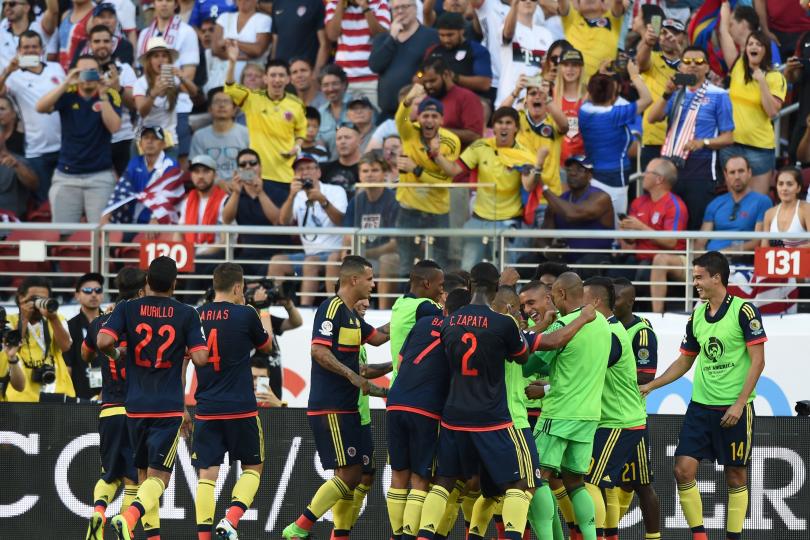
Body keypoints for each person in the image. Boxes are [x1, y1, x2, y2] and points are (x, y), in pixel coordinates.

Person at [640, 251, 767, 540]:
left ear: (716, 277)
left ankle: (733, 537)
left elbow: (758, 361)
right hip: (700, 407)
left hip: (734, 409)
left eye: (698, 277)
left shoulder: (744, 311)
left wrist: (738, 404)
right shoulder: (697, 314)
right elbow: (685, 360)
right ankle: (700, 535)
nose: (694, 282)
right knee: (682, 470)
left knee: (735, 476)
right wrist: (653, 385)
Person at [282, 255, 390, 540]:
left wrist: (410, 316)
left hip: (347, 408)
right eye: (369, 279)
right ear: (354, 280)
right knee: (350, 475)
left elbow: (378, 337)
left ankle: (336, 534)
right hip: (331, 406)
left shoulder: (352, 316)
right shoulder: (332, 308)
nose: (374, 284)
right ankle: (299, 527)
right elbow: (319, 351)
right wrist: (353, 376)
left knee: (360, 474)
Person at [100, 256, 208, 540]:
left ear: (146, 281)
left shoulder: (127, 307)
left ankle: (145, 533)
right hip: (167, 407)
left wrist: (117, 354)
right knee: (160, 478)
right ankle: (129, 517)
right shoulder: (187, 313)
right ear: (175, 283)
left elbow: (103, 342)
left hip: (134, 406)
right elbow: (200, 358)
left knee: (143, 476)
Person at [521, 272, 610, 540]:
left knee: (537, 477)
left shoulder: (563, 326)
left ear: (559, 294)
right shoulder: (602, 324)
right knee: (575, 482)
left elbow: (527, 364)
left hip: (559, 413)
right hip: (589, 415)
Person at [193, 263, 272, 540]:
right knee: (253, 467)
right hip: (240, 408)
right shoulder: (245, 314)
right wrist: (262, 309)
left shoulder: (195, 315)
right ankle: (230, 520)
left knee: (207, 475)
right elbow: (266, 346)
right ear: (238, 287)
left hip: (206, 408)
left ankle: (204, 537)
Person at [580, 277, 658, 540]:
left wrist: (547, 387)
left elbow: (589, 373)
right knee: (604, 484)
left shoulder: (615, 333)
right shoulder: (606, 329)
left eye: (583, 298)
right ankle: (608, 535)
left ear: (595, 301)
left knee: (594, 482)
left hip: (621, 420)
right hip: (611, 419)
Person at [386, 288, 466, 539]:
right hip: (427, 409)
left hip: (396, 401)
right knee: (421, 478)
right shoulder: (461, 333)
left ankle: (397, 535)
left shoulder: (422, 324)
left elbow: (400, 362)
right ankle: (410, 535)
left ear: (445, 308)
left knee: (399, 474)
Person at [650, 156, 772, 313]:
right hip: (708, 261)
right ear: (725, 175)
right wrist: (701, 258)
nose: (737, 176)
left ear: (749, 173)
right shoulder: (716, 203)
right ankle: (655, 318)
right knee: (660, 260)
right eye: (732, 172)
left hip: (736, 263)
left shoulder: (762, 201)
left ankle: (701, 316)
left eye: (741, 171)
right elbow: (702, 239)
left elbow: (758, 240)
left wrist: (725, 253)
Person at [81, 267, 145, 540]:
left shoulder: (102, 321)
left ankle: (98, 512)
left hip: (108, 408)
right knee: (133, 478)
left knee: (109, 474)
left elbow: (85, 354)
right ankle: (125, 528)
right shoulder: (143, 324)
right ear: (142, 290)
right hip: (135, 409)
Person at [432, 106, 535, 269]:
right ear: (493, 127)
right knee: (468, 270)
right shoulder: (479, 147)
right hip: (479, 219)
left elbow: (528, 186)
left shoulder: (524, 155)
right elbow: (453, 170)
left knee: (507, 274)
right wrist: (437, 155)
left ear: (516, 128)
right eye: (499, 122)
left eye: (509, 123)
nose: (504, 126)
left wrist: (538, 167)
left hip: (508, 222)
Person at [647, 46, 735, 231]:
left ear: (707, 68)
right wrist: (666, 94)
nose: (692, 65)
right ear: (680, 68)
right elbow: (652, 118)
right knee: (671, 225)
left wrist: (704, 142)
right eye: (687, 62)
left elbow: (728, 137)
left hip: (701, 171)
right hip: (671, 170)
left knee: (695, 225)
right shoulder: (675, 93)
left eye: (698, 62)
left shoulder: (719, 95)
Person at [36, 55, 121, 223]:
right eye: (83, 72)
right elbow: (40, 107)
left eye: (93, 72)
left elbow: (114, 127)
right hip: (66, 176)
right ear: (74, 72)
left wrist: (103, 96)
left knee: (101, 236)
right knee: (63, 235)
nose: (88, 76)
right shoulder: (67, 93)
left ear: (99, 74)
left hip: (100, 176)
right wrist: (66, 83)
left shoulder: (110, 95)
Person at [393, 85, 461, 275]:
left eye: (434, 116)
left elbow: (445, 180)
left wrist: (416, 169)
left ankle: (437, 304)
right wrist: (407, 100)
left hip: (437, 211)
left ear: (442, 119)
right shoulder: (409, 131)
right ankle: (405, 303)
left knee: (438, 266)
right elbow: (401, 118)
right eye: (425, 116)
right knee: (406, 264)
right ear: (419, 117)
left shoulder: (451, 140)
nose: (429, 120)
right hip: (409, 208)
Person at [611, 277, 661, 535]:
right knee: (615, 483)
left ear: (630, 302)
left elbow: (646, 375)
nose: (611, 302)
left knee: (641, 484)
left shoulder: (641, 332)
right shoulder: (605, 326)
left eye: (617, 297)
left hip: (631, 419)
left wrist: (606, 372)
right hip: (606, 417)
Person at [225, 50, 306, 206]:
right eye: (273, 75)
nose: (277, 80)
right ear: (265, 78)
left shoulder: (296, 104)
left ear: (288, 79)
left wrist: (297, 146)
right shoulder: (251, 99)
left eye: (281, 75)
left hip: (285, 175)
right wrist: (232, 62)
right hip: (255, 175)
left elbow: (301, 131)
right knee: (254, 222)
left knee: (282, 224)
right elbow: (230, 87)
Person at [267, 154, 348, 307]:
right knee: (277, 262)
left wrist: (323, 201)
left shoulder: (335, 190)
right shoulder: (296, 195)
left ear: (318, 172)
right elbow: (283, 222)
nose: (305, 172)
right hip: (309, 254)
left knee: (310, 262)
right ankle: (278, 309)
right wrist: (291, 196)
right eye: (300, 169)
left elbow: (342, 221)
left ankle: (313, 309)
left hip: (334, 253)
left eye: (309, 168)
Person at [328, 151, 400, 308]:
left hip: (385, 256)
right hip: (362, 255)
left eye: (375, 170)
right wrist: (346, 252)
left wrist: (366, 253)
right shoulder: (356, 201)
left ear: (384, 174)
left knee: (388, 259)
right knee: (334, 259)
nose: (370, 175)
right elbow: (347, 236)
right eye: (365, 171)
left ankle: (383, 310)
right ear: (360, 175)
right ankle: (335, 308)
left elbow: (395, 244)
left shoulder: (394, 200)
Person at [579, 62, 652, 216]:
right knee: (614, 225)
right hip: (614, 177)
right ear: (613, 94)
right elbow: (647, 99)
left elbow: (588, 96)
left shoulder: (584, 111)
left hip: (592, 173)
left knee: (596, 221)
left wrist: (599, 75)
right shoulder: (615, 114)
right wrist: (634, 75)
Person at [0, 31, 65, 203]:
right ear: (19, 50)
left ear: (42, 49)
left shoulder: (55, 68)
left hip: (64, 147)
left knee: (64, 201)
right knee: (43, 203)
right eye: (26, 47)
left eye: (34, 47)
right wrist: (7, 71)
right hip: (37, 151)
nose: (30, 51)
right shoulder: (13, 76)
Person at [721, 30, 786, 195]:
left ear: (766, 50)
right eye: (750, 44)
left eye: (759, 44)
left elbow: (772, 112)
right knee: (735, 200)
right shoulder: (737, 67)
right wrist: (724, 4)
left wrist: (762, 82)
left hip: (759, 148)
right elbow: (725, 34)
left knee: (757, 204)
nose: (754, 47)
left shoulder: (775, 77)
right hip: (731, 145)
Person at [137, 0, 200, 166]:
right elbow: (143, 72)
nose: (164, 4)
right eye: (159, 0)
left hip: (178, 106)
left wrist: (176, 79)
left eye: (168, 0)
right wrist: (153, 91)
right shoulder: (144, 34)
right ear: (154, 4)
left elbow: (190, 73)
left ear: (176, 4)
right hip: (150, 116)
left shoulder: (187, 32)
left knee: (178, 163)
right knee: (148, 165)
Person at [503, 74, 567, 228]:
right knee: (520, 250)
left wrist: (547, 98)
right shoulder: (518, 119)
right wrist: (516, 90)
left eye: (541, 94)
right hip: (520, 199)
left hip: (548, 199)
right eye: (532, 93)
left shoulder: (554, 122)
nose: (537, 97)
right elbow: (499, 117)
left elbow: (565, 126)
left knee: (543, 249)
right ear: (526, 100)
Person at [616, 158, 688, 284]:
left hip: (664, 262)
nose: (643, 175)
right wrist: (626, 230)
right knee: (613, 273)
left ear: (659, 179)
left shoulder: (675, 205)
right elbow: (631, 241)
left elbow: (671, 242)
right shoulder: (639, 202)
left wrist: (642, 228)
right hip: (638, 258)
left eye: (647, 172)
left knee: (643, 272)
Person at [4, 276, 74, 402]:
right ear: (21, 298)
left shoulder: (57, 319)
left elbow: (66, 346)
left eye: (43, 299)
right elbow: (11, 348)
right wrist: (24, 319)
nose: (38, 303)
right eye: (33, 299)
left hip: (57, 394)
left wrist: (53, 318)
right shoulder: (9, 321)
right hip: (21, 398)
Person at [540, 155, 615, 265]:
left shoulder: (601, 197)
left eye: (580, 170)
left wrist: (544, 188)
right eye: (569, 170)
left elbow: (573, 214)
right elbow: (542, 238)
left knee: (585, 265)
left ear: (589, 175)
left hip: (597, 259)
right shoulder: (559, 201)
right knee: (527, 261)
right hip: (566, 259)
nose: (572, 173)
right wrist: (548, 251)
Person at [102, 126, 184, 226]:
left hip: (163, 224)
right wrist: (107, 213)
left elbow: (170, 196)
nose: (149, 141)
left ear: (163, 144)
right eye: (146, 138)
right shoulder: (134, 163)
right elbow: (122, 189)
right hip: (135, 221)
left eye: (155, 138)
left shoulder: (171, 166)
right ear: (140, 144)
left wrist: (156, 218)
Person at [369, 0, 438, 118]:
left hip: (419, 111)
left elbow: (434, 68)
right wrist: (392, 38)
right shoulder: (383, 38)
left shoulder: (431, 36)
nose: (400, 11)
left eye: (405, 7)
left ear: (415, 9)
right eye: (396, 8)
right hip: (388, 112)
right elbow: (375, 66)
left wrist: (419, 77)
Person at [85, 24, 137, 176]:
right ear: (90, 45)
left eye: (106, 41)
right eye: (97, 41)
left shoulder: (124, 69)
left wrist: (118, 88)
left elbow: (134, 104)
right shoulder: (83, 72)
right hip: (95, 141)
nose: (102, 45)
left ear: (112, 44)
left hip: (124, 138)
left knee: (128, 192)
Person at [134, 37, 198, 160]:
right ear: (149, 61)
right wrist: (153, 94)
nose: (161, 60)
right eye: (156, 56)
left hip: (168, 139)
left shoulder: (173, 80)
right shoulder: (140, 83)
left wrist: (182, 76)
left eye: (164, 56)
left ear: (169, 60)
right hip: (146, 140)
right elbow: (142, 112)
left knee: (169, 178)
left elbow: (194, 93)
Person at [221, 149, 281, 275]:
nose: (248, 167)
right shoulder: (236, 194)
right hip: (247, 256)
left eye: (252, 163)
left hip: (275, 254)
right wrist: (236, 193)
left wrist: (260, 192)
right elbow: (227, 219)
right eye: (243, 165)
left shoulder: (275, 190)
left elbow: (277, 220)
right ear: (238, 171)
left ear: (260, 168)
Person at [638, 18, 687, 170]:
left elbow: (699, 80)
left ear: (683, 38)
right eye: (665, 32)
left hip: (681, 139)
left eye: (675, 33)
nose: (669, 36)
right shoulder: (652, 57)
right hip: (653, 137)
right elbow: (640, 63)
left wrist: (681, 52)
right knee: (652, 188)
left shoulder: (690, 64)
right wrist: (647, 43)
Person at [324, 0, 391, 108]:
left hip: (371, 78)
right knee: (344, 121)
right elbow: (332, 35)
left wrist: (365, 7)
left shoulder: (379, 3)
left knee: (373, 120)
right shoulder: (334, 4)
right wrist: (341, 5)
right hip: (343, 80)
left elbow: (381, 36)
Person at [389, 259, 445, 382]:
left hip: (398, 384)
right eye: (440, 285)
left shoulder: (400, 302)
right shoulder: (424, 307)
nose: (442, 291)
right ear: (427, 284)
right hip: (413, 387)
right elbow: (456, 321)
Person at [493, 0, 553, 108]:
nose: (528, 1)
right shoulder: (507, 26)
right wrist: (514, 6)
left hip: (536, 104)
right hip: (509, 99)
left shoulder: (546, 34)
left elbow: (549, 71)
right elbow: (507, 33)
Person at [416, 56, 484, 147]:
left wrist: (438, 131)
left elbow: (475, 135)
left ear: (446, 74)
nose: (428, 86)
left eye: (432, 81)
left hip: (459, 158)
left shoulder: (467, 98)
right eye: (425, 82)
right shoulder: (426, 100)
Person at [175, 154, 229, 265]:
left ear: (215, 175)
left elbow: (224, 242)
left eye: (205, 171)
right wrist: (179, 254)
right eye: (196, 172)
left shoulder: (225, 200)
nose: (200, 176)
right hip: (189, 256)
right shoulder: (187, 200)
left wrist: (197, 257)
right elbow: (178, 232)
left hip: (215, 257)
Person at [424, 12, 492, 97]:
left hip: (470, 98)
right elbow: (418, 76)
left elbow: (484, 84)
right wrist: (423, 77)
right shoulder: (433, 50)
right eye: (442, 35)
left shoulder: (476, 50)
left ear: (462, 31)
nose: (446, 40)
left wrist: (454, 77)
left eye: (450, 35)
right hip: (436, 99)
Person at [190, 86, 249, 180]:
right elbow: (197, 169)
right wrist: (218, 182)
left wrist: (238, 184)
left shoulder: (246, 134)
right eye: (217, 102)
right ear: (209, 109)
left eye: (226, 102)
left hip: (241, 188)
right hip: (211, 189)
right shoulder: (199, 136)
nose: (222, 105)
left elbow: (252, 169)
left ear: (234, 110)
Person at [558, 0, 625, 81]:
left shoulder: (612, 19)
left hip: (601, 85)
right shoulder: (571, 18)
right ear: (578, 5)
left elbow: (618, 2)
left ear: (603, 3)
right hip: (574, 83)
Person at [64, 272, 104, 400]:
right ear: (77, 296)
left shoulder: (112, 322)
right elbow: (67, 365)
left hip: (110, 393)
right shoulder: (70, 326)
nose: (93, 294)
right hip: (79, 393)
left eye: (98, 290)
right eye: (87, 290)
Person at [211, 0, 272, 83]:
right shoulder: (224, 17)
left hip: (251, 79)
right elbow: (215, 50)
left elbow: (257, 50)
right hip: (221, 77)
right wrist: (245, 56)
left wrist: (230, 41)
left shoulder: (264, 19)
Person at [270, 0, 329, 72]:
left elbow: (324, 44)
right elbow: (275, 41)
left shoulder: (316, 3)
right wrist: (272, 68)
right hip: (282, 73)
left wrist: (316, 73)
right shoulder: (277, 3)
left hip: (304, 71)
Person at [0, 105, 37, 218]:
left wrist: (17, 166)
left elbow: (33, 184)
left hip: (9, 226)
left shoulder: (17, 161)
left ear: (3, 136)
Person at [761, 167, 810, 248]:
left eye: (789, 184)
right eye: (780, 184)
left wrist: (795, 250)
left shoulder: (806, 209)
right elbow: (764, 249)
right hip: (774, 260)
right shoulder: (769, 213)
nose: (784, 188)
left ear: (798, 188)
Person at [555, 48, 587, 166]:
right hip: (556, 164)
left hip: (583, 166)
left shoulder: (589, 95)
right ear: (560, 68)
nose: (570, 69)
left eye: (575, 65)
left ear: (581, 68)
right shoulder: (550, 95)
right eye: (565, 65)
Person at [0, 0, 54, 70]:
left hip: (38, 78)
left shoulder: (40, 29)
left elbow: (53, 11)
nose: (7, 7)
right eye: (4, 5)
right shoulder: (1, 31)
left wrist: (15, 63)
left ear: (26, 8)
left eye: (12, 4)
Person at [317, 64, 353, 159]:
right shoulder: (320, 113)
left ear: (344, 85)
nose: (330, 89)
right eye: (325, 85)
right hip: (330, 167)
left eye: (335, 84)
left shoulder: (359, 106)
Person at [321, 123, 363, 194]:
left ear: (359, 140)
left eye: (347, 137)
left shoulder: (368, 170)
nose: (342, 142)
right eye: (339, 138)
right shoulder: (324, 169)